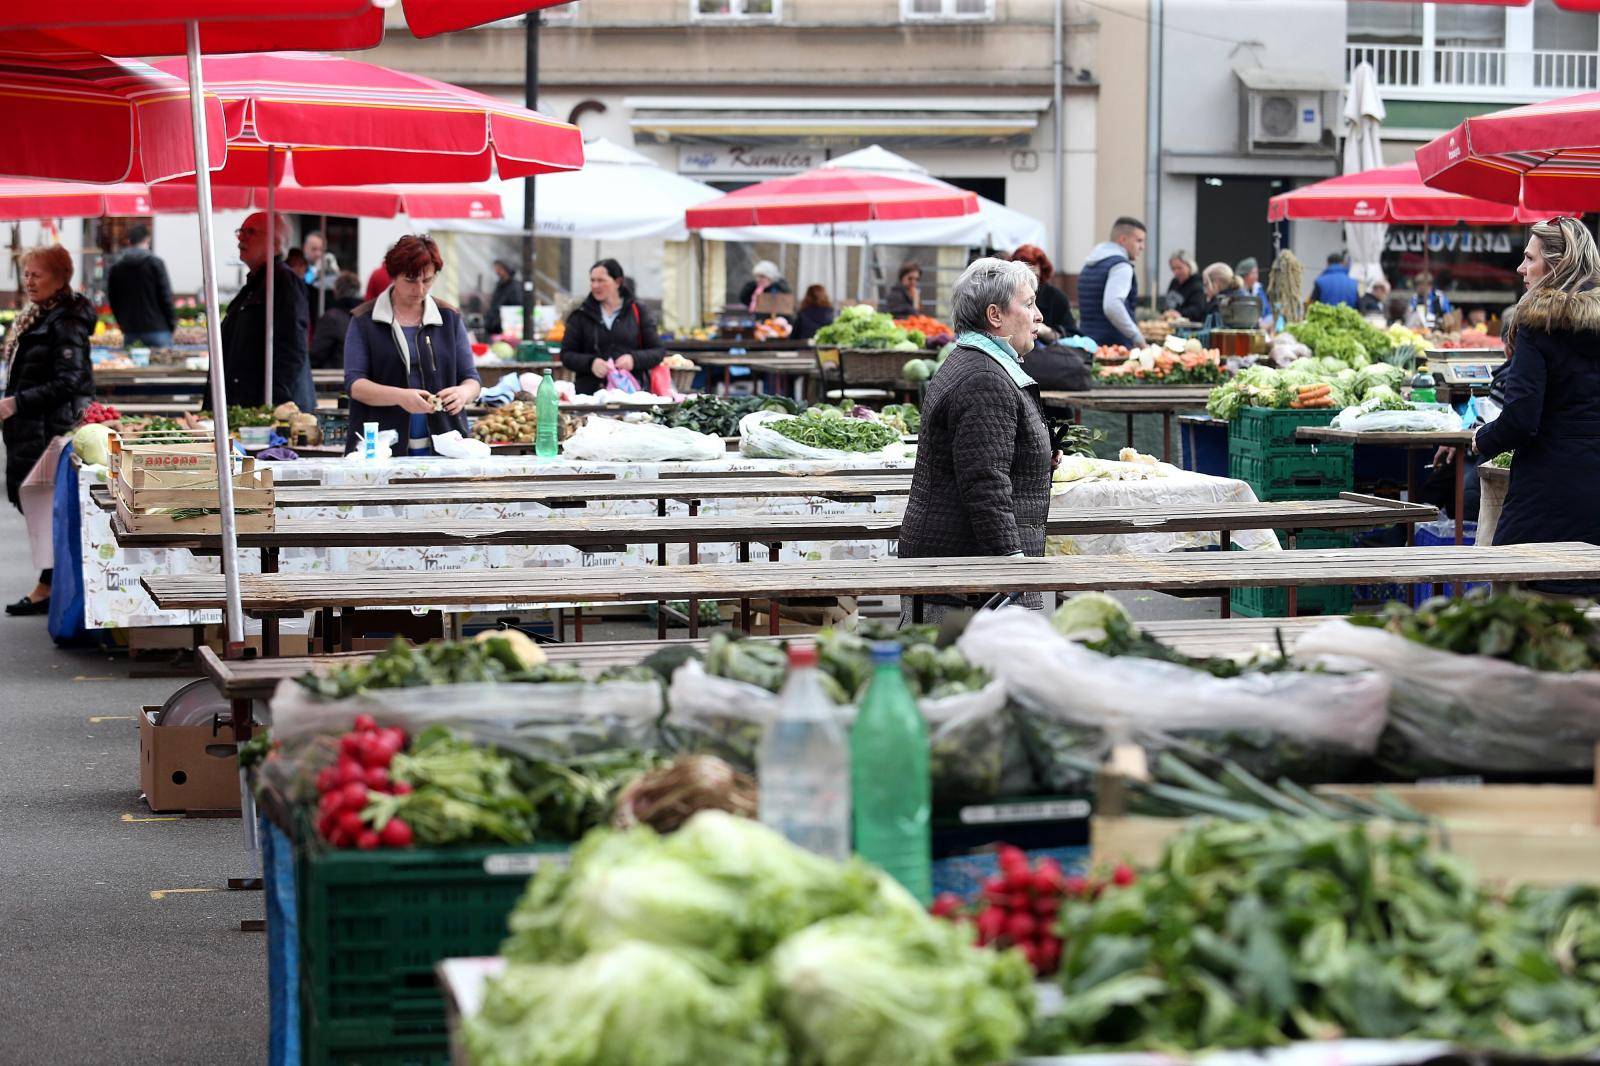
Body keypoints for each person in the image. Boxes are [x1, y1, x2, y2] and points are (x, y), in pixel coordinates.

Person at [898, 257, 1053, 624]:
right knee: (952, 674)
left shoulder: (975, 363)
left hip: (960, 573)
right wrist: (1013, 567)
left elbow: (985, 453)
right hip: (963, 583)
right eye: (1028, 303)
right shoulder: (983, 376)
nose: (1039, 315)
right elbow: (984, 481)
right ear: (995, 316)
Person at [1472, 217, 1600, 593]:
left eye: (1529, 259)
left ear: (1556, 265)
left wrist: (1483, 439)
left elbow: (1522, 418)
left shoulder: (1537, 321)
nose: (1521, 268)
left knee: (1521, 598)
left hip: (1548, 490)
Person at [0, 245, 95, 615]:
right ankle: (52, 584)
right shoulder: (42, 315)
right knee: (42, 508)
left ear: (60, 277)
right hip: (34, 428)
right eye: (26, 274)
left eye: (36, 274)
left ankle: (49, 586)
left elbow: (70, 380)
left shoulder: (65, 320)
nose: (29, 281)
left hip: (49, 429)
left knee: (47, 508)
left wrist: (15, 403)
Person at [343, 235, 481, 455]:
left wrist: (463, 393)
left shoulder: (450, 317)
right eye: (410, 280)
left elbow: (472, 378)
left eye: (427, 280)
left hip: (446, 443)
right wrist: (400, 397)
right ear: (393, 275)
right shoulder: (363, 320)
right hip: (380, 446)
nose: (419, 289)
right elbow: (355, 385)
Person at [216, 211, 315, 412]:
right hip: (253, 407)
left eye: (250, 232)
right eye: (240, 231)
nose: (241, 238)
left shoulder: (283, 282)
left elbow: (291, 348)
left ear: (276, 244)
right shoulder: (257, 282)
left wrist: (276, 408)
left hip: (273, 411)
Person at [558, 258, 666, 394]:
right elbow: (567, 355)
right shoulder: (581, 314)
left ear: (618, 282)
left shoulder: (638, 311)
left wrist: (634, 359)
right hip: (590, 395)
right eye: (592, 280)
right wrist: (591, 363)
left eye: (601, 280)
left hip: (632, 395)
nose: (595, 285)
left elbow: (658, 351)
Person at [1078, 216, 1146, 348]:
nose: (1142, 247)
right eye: (1139, 241)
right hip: (1114, 348)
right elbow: (1112, 306)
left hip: (1088, 343)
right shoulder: (1121, 266)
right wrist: (1136, 336)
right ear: (1123, 240)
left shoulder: (1090, 263)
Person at [106, 224, 175, 348]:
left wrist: (122, 324)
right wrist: (171, 324)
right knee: (163, 366)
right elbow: (166, 297)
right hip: (158, 329)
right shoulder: (155, 264)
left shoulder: (117, 268)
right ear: (146, 240)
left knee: (133, 366)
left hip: (130, 331)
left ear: (129, 242)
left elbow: (113, 299)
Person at [1010, 244, 1076, 342]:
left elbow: (1072, 336)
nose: (1030, 283)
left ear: (1042, 272)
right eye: (1024, 277)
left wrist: (1047, 332)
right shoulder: (1008, 295)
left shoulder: (1055, 297)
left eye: (1034, 277)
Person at [310, 271, 363, 370]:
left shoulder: (331, 318)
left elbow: (317, 354)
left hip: (336, 379)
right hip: (363, 379)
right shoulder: (367, 315)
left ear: (336, 291)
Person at [1161, 250, 1206, 323]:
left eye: (1179, 268)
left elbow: (1197, 310)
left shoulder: (1197, 285)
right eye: (1173, 268)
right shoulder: (1174, 282)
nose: (1176, 272)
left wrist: (1179, 313)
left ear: (1189, 266)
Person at [484, 259, 521, 337]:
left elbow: (517, 306)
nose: (497, 272)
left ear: (506, 269)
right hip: (495, 325)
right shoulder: (499, 285)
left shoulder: (514, 287)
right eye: (496, 269)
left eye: (499, 269)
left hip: (507, 326)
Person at [1234, 256, 1273, 323]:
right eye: (1254, 273)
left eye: (1257, 273)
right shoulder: (1238, 293)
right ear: (1245, 275)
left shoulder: (1257, 289)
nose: (1256, 276)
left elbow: (1267, 311)